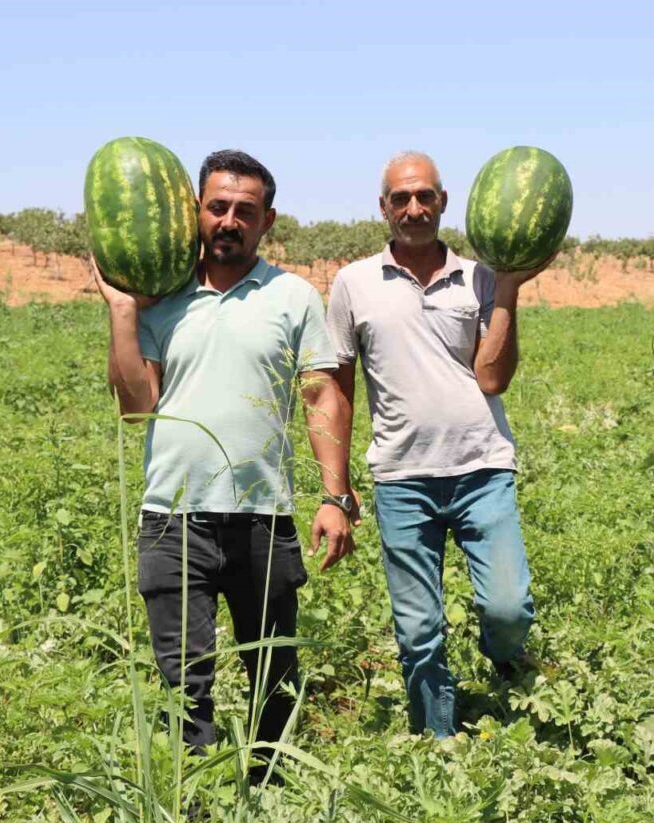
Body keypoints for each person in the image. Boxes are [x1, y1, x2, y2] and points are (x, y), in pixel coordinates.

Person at [93, 149, 357, 780]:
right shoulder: (159, 301)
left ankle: (270, 790)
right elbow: (135, 407)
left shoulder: (292, 296)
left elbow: (321, 396)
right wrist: (123, 311)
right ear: (196, 212)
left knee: (274, 672)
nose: (229, 221)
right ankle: (197, 802)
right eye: (218, 207)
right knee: (184, 679)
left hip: (262, 517)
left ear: (268, 220)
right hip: (172, 518)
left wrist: (335, 496)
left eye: (245, 210)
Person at [325, 151, 551, 737]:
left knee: (508, 608)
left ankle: (505, 664)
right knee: (418, 630)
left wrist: (508, 288)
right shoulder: (353, 283)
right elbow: (337, 389)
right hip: (402, 479)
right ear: (383, 207)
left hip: (482, 470)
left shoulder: (481, 277)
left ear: (443, 202)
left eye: (425, 196)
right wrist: (336, 487)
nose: (414, 208)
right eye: (401, 198)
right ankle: (438, 740)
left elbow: (493, 378)